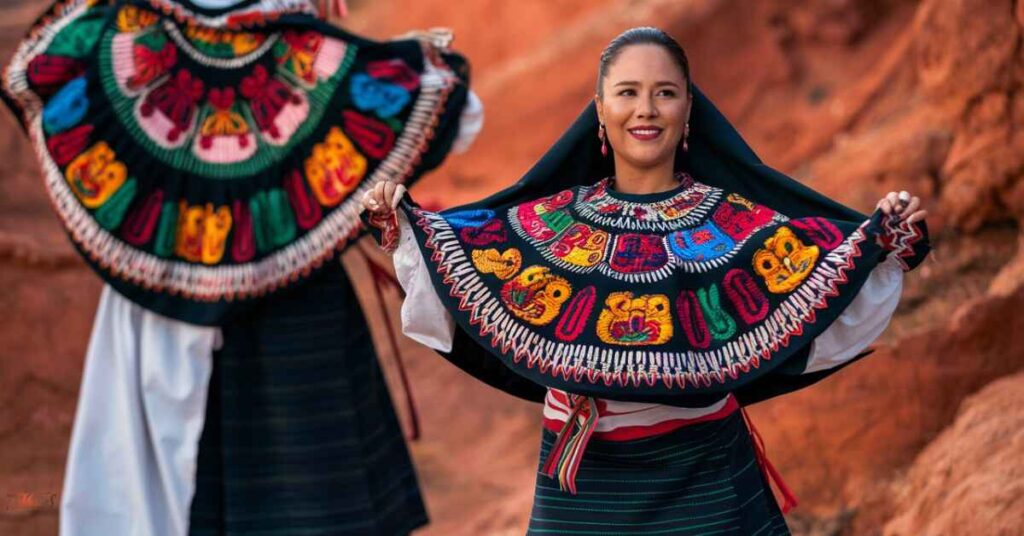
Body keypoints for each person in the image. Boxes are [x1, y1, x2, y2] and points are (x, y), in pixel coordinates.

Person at [361, 26, 929, 535]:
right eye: (627, 92)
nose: (646, 109)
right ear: (600, 111)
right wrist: (406, 222)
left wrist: (880, 238)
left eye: (665, 92)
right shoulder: (547, 223)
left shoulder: (734, 222)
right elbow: (468, 245)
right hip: (580, 489)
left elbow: (818, 264)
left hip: (705, 481)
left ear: (688, 109)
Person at [2, 1, 482, 534]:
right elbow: (459, 112)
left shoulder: (115, 31)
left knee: (163, 503)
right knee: (321, 507)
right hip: (301, 313)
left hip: (158, 309)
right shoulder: (302, 51)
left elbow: (39, 75)